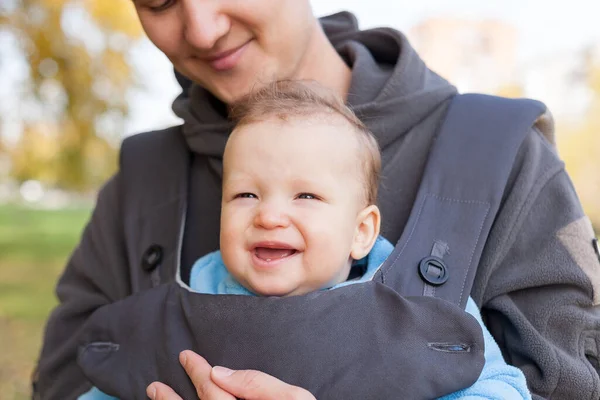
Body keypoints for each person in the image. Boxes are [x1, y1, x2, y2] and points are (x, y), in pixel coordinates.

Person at [34, 2, 600, 399]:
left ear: (364, 228)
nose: (202, 28)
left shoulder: (503, 155)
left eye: (307, 194)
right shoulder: (142, 179)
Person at [81, 80, 531, 400]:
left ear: (361, 232)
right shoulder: (194, 297)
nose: (270, 214)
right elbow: (115, 383)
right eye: (245, 194)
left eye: (306, 195)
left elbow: (500, 390)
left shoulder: (412, 306)